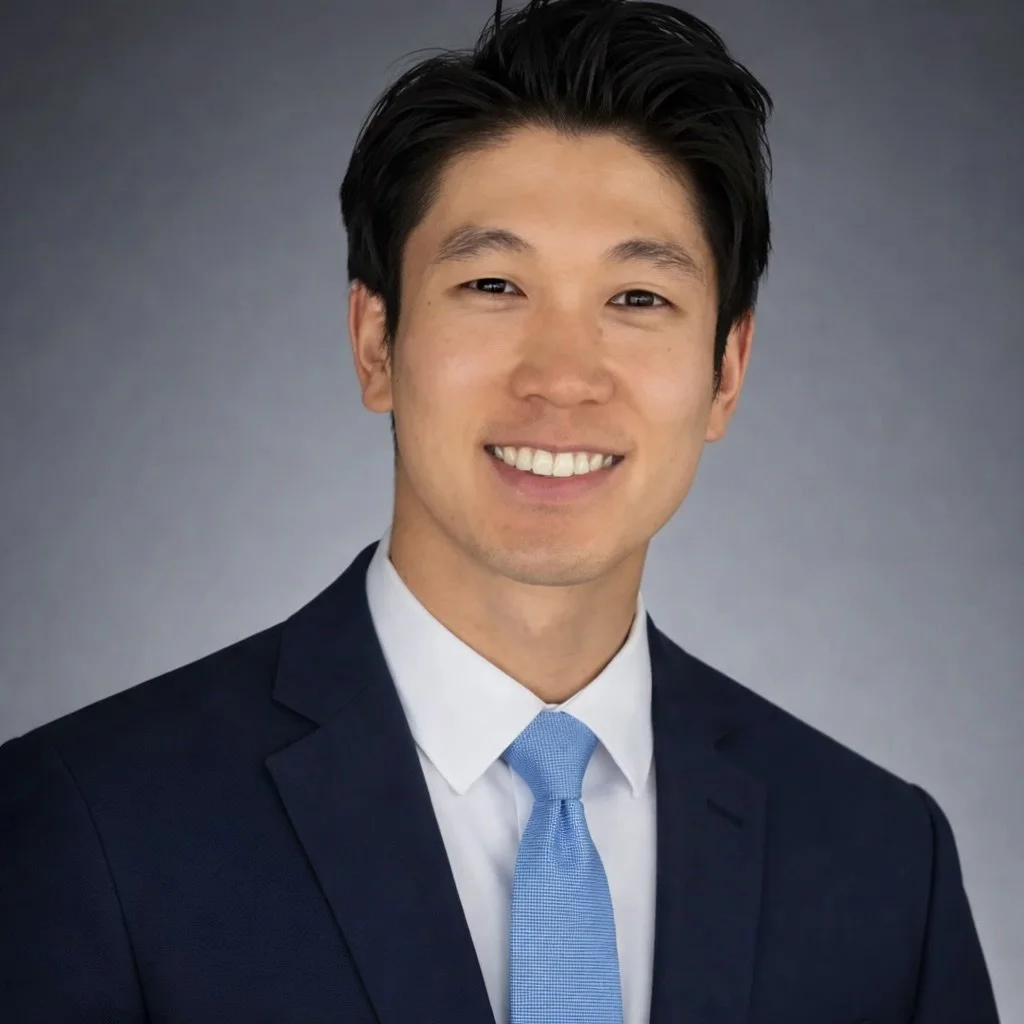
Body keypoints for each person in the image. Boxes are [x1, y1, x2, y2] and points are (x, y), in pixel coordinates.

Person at [0, 0, 1001, 1020]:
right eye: (492, 283)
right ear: (375, 343)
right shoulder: (89, 825)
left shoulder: (884, 866)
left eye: (637, 298)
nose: (562, 376)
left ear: (727, 370)